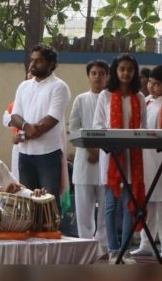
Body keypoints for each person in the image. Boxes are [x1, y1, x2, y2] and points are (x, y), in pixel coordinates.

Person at [93, 54, 146, 264]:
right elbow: (98, 125)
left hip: (132, 157)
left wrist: (130, 138)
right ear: (116, 71)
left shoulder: (139, 97)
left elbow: (141, 127)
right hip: (112, 156)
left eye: (130, 70)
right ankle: (113, 249)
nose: (125, 73)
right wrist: (114, 140)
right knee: (110, 206)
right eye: (122, 69)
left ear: (134, 73)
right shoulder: (105, 96)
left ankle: (125, 250)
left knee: (128, 205)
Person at [8, 44, 71, 210]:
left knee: (47, 202)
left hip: (48, 154)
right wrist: (27, 128)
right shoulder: (24, 86)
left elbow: (50, 121)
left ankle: (51, 234)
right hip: (25, 154)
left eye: (39, 61)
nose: (33, 64)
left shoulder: (59, 87)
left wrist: (23, 135)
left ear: (51, 64)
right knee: (27, 201)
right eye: (32, 60)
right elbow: (14, 116)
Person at [68, 60, 109, 253]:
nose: (98, 76)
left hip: (106, 159)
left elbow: (113, 129)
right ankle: (85, 245)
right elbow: (73, 129)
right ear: (88, 76)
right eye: (94, 73)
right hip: (84, 160)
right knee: (84, 208)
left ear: (107, 76)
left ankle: (102, 245)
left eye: (102, 73)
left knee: (105, 209)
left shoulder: (111, 100)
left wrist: (99, 150)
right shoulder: (81, 99)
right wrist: (91, 149)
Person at [134, 64, 162, 256]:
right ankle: (146, 243)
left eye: (157, 84)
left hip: (160, 159)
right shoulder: (146, 102)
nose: (152, 87)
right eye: (151, 83)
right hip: (146, 161)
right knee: (147, 204)